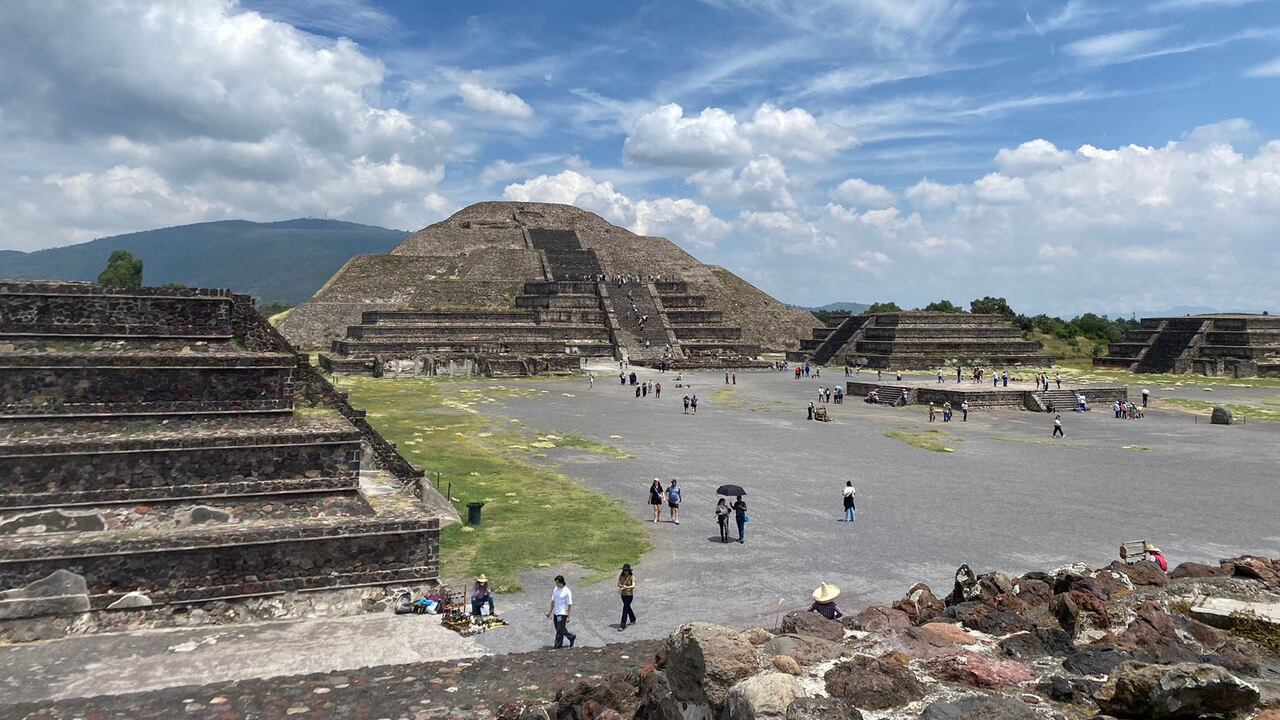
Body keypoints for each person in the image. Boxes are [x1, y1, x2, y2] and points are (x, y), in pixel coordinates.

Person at [547, 575, 576, 648]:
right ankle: (571, 637)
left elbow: (569, 604)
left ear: (562, 582)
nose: (556, 584)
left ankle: (557, 647)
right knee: (560, 629)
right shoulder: (555, 589)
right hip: (556, 612)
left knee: (559, 632)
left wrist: (569, 617)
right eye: (555, 583)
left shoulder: (567, 591)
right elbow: (553, 601)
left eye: (557, 583)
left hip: (562, 613)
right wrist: (549, 612)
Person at [618, 564, 636, 630]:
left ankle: (622, 624)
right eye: (624, 570)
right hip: (623, 595)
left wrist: (627, 587)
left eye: (626, 570)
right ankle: (633, 619)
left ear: (629, 571)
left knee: (625, 608)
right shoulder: (621, 576)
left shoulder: (632, 576)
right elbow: (618, 583)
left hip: (629, 595)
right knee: (627, 607)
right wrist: (621, 586)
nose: (625, 571)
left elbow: (633, 585)